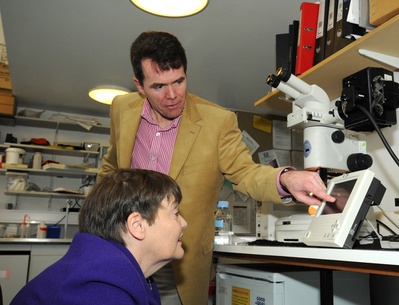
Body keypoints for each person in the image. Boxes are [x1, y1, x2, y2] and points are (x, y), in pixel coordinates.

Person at [99, 30, 336, 305]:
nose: (173, 95)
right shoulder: (120, 108)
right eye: (159, 87)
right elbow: (112, 167)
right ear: (139, 86)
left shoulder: (218, 121)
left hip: (177, 262)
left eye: (179, 81)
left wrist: (287, 179)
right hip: (119, 248)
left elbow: (246, 173)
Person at [11, 169, 187, 305]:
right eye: (176, 213)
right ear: (137, 225)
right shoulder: (99, 291)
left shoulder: (120, 275)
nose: (184, 223)